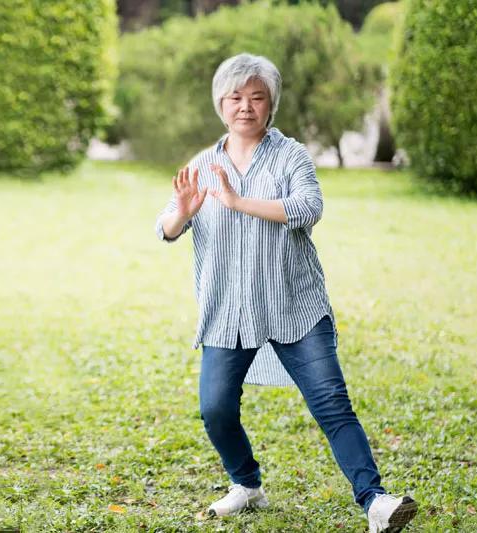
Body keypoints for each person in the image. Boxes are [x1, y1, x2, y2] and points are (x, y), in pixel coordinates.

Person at [154, 53, 418, 532]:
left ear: (270, 103)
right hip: (228, 310)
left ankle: (376, 502)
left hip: (294, 306)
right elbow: (166, 227)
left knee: (331, 404)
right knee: (215, 409)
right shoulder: (202, 164)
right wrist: (183, 213)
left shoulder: (291, 155)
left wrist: (238, 202)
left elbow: (308, 207)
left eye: (257, 97)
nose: (245, 107)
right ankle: (246, 484)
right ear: (220, 102)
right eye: (235, 97)